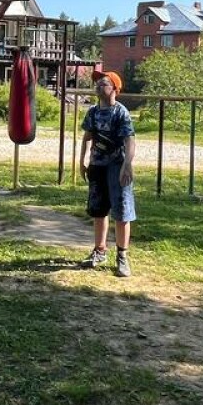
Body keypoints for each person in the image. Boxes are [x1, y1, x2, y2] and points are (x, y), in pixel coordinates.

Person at [78, 71, 136, 277]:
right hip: (97, 166)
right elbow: (87, 137)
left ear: (114, 89)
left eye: (103, 83)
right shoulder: (93, 112)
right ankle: (99, 250)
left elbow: (130, 140)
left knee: (122, 212)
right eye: (97, 84)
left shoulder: (121, 112)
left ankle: (122, 257)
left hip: (117, 168)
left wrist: (127, 165)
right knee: (99, 211)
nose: (98, 86)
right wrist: (82, 161)